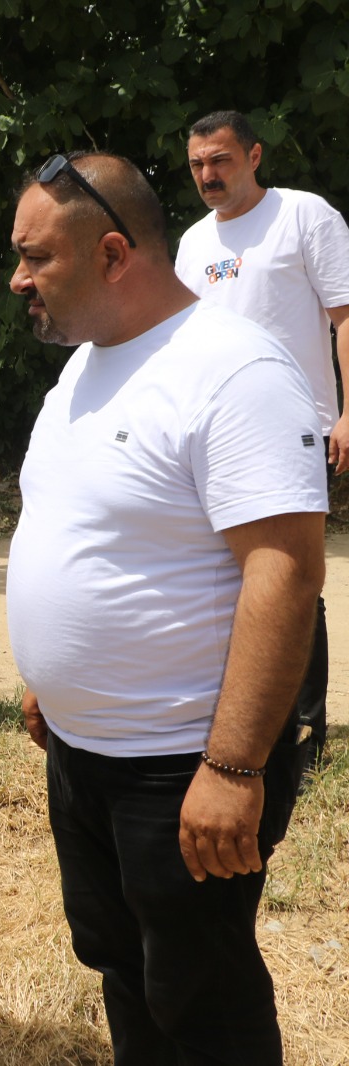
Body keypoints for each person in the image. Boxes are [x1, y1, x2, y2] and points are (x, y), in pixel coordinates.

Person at [8, 150, 326, 1065]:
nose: (17, 277)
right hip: (85, 754)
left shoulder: (233, 370)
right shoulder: (85, 368)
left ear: (113, 254)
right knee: (120, 962)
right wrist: (53, 684)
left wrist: (232, 767)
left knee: (201, 993)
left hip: (182, 763)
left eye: (37, 258)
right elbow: (84, 536)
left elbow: (285, 573)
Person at [174, 109, 349, 777]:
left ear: (254, 155)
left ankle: (305, 735)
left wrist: (347, 413)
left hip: (291, 427)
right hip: (209, 436)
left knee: (290, 579)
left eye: (219, 160)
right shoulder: (191, 244)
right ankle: (243, 718)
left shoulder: (304, 217)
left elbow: (344, 318)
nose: (208, 175)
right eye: (196, 165)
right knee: (223, 579)